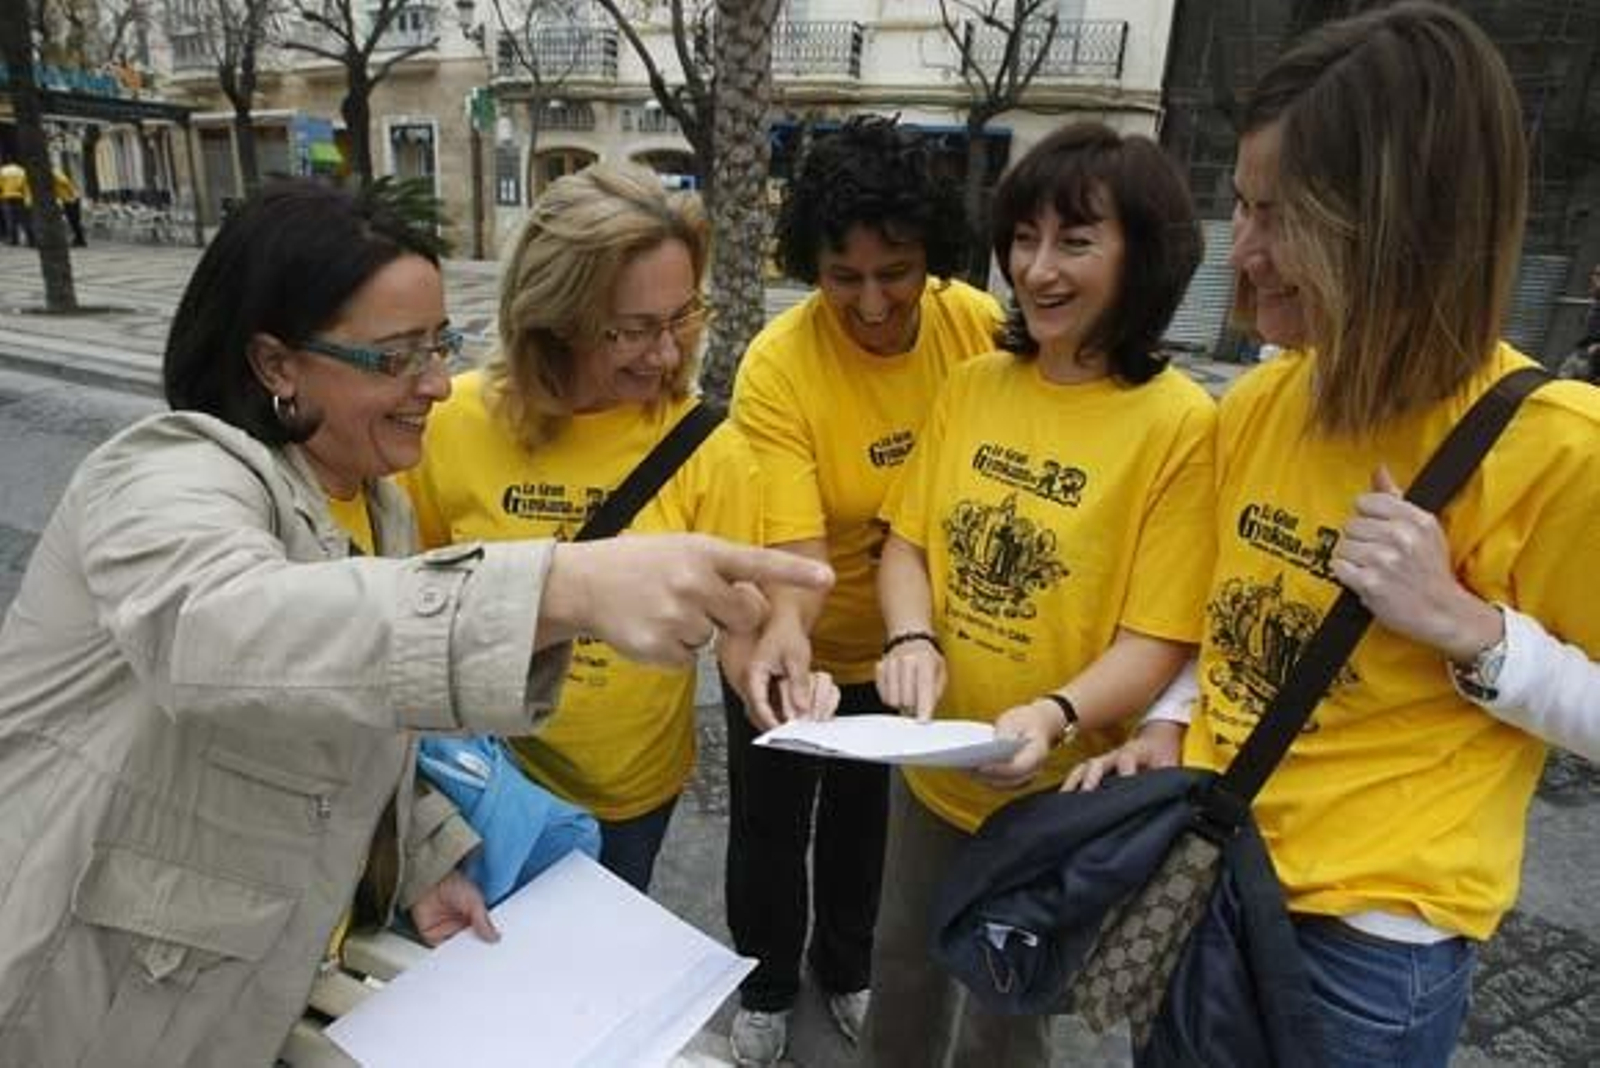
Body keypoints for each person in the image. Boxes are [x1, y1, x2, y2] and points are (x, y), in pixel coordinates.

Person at [0, 179, 832, 1066]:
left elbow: (355, 721)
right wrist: (563, 586)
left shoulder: (379, 503)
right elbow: (222, 635)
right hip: (87, 994)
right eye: (394, 357)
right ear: (276, 363)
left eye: (439, 344)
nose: (438, 384)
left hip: (250, 981)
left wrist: (424, 857)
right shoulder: (164, 475)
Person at [1070, 6, 1600, 1066]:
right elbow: (1225, 626)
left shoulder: (1557, 448)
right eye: (1240, 206)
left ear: (1400, 224)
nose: (1246, 252)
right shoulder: (1260, 406)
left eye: (1281, 217)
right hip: (1205, 874)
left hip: (1365, 951)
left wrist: (1472, 632)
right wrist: (1171, 721)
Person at [862, 121, 1214, 1068]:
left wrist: (1055, 714)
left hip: (1060, 794)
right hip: (935, 760)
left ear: (1144, 256)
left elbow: (1159, 638)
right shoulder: (976, 383)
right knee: (899, 964)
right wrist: (909, 640)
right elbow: (908, 544)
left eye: (1077, 240)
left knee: (1007, 1009)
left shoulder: (1179, 424)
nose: (1039, 270)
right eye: (1024, 239)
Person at [403, 163, 816, 892]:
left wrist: (773, 668)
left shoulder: (704, 446)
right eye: (633, 330)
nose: (666, 354)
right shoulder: (448, 424)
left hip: (629, 799)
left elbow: (743, 621)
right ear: (553, 316)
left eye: (684, 316)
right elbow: (408, 602)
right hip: (478, 773)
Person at [717, 115, 1003, 1065]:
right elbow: (796, 546)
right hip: (788, 631)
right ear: (810, 266)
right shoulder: (780, 365)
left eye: (897, 271)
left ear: (934, 255)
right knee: (769, 827)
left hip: (907, 639)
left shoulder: (974, 326)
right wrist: (787, 639)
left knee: (864, 829)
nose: (873, 301)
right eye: (844, 277)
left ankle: (844, 970)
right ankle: (762, 980)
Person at [1557, 263, 1600, 382]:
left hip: (1592, 362)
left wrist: (1597, 348)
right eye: (1594, 274)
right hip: (1584, 354)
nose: (1593, 279)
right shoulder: (1596, 301)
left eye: (1598, 275)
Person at [53, 166, 87, 247]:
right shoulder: (54, 173)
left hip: (71, 200)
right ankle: (79, 239)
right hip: (67, 199)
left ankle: (81, 240)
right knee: (73, 221)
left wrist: (73, 195)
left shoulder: (55, 173)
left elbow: (65, 182)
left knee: (74, 220)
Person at [0, 158, 31, 246]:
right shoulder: (21, 171)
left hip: (7, 196)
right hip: (19, 197)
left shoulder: (2, 171)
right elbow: (26, 186)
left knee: (10, 219)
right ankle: (30, 239)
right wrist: (27, 197)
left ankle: (13, 240)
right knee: (24, 219)